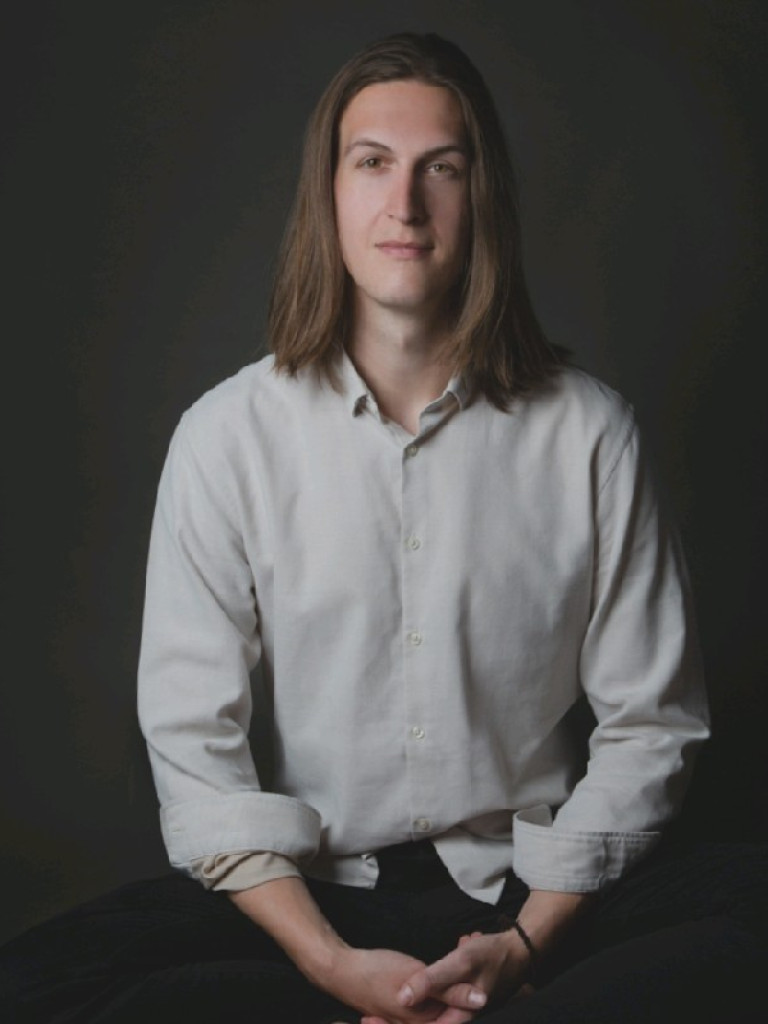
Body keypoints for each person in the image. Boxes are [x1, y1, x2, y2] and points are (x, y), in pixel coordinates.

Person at [1, 31, 766, 1024]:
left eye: (440, 169)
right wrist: (329, 964)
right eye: (373, 164)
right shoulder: (225, 437)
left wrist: (526, 942)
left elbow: (651, 729)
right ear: (329, 191)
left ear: (479, 195)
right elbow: (195, 752)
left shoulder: (589, 432)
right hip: (316, 897)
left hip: (521, 892)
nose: (404, 205)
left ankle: (483, 995)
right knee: (34, 987)